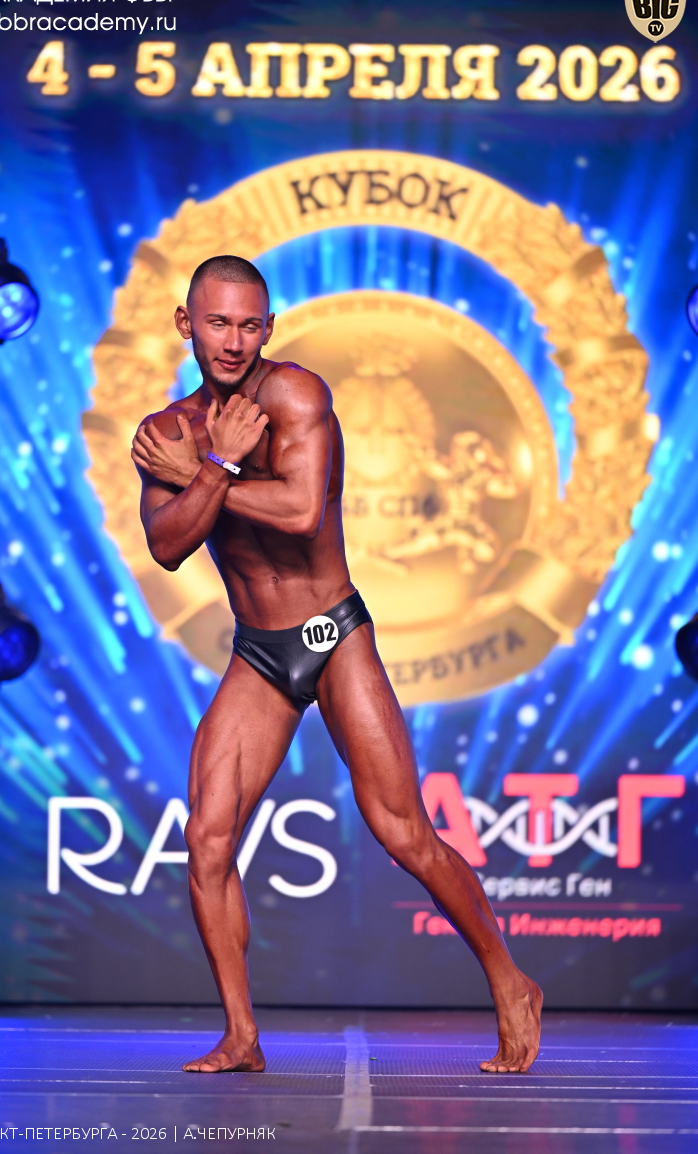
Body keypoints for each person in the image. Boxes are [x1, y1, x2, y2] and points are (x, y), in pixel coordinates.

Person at [131, 255, 542, 1075]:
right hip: (258, 649)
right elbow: (169, 544)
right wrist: (212, 465)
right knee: (207, 838)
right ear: (186, 325)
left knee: (402, 832)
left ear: (269, 328)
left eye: (249, 324)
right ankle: (242, 1036)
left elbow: (298, 510)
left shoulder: (295, 395)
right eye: (217, 323)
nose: (233, 341)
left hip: (330, 632)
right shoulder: (168, 430)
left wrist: (205, 477)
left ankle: (510, 981)